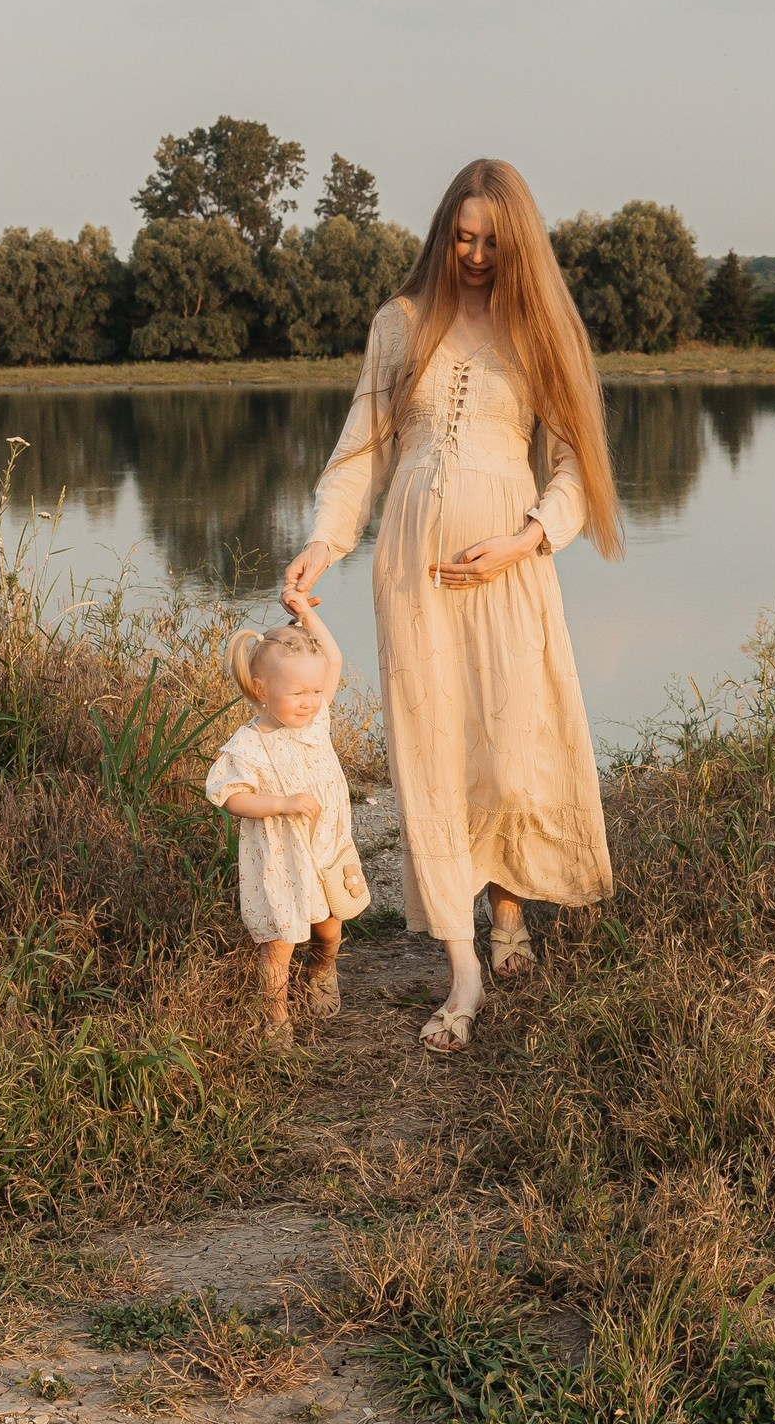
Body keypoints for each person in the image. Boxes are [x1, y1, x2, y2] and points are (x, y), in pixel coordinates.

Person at [282, 158, 621, 1054]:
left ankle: (512, 906)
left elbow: (574, 473)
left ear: (519, 246)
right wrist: (326, 538)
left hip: (509, 571)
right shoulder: (401, 326)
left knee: (509, 750)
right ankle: (463, 966)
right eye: (462, 238)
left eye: (491, 243)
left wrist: (525, 539)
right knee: (434, 755)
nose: (474, 256)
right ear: (443, 234)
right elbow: (361, 452)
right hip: (413, 575)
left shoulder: (538, 331)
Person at [204, 594, 361, 1047]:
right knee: (279, 944)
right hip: (280, 858)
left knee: (330, 926)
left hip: (325, 849)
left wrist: (309, 615)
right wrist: (281, 803)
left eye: (315, 692)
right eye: (298, 693)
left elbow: (332, 658)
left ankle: (322, 967)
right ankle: (275, 1017)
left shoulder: (315, 723)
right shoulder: (249, 743)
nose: (311, 702)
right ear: (260, 689)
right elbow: (230, 798)